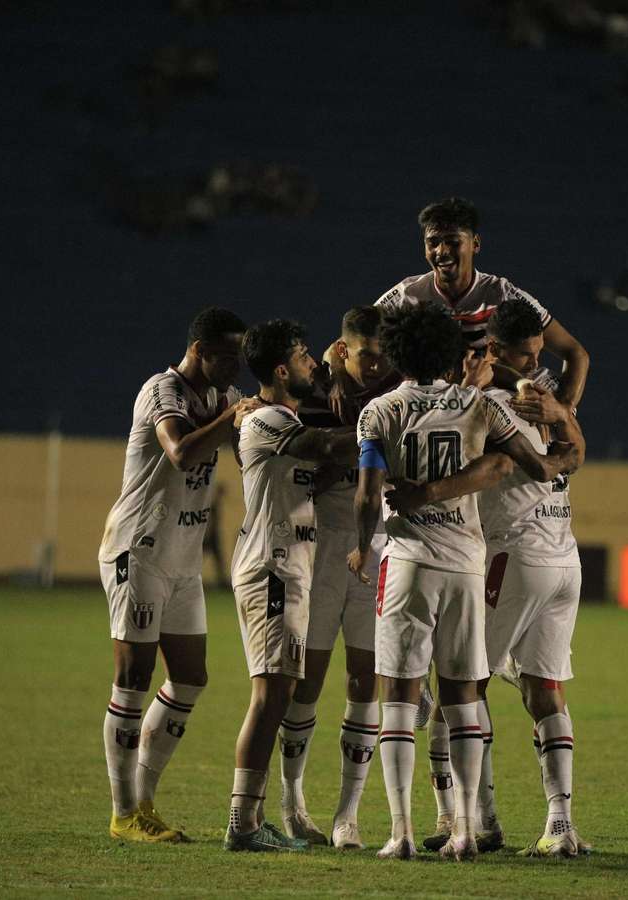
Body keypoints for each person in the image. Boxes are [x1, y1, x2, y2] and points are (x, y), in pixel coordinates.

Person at [349, 301, 580, 861]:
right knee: (464, 698)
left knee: (401, 697)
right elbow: (533, 464)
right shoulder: (481, 406)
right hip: (472, 565)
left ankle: (405, 830)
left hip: (411, 561)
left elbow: (366, 492)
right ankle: (468, 832)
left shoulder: (380, 410)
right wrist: (564, 456)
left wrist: (363, 545)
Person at [97, 306, 261, 843]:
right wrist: (230, 421)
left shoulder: (225, 399)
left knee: (190, 677)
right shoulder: (160, 391)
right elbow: (182, 451)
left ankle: (143, 801)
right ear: (200, 351)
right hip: (138, 550)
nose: (236, 369)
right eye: (228, 357)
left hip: (183, 559)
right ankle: (124, 813)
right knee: (133, 679)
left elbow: (250, 451)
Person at [225, 319, 359, 852]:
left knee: (278, 693)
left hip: (289, 567)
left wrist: (332, 373)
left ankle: (253, 819)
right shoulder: (268, 420)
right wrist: (390, 424)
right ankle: (243, 824)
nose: (313, 365)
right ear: (281, 370)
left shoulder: (278, 417)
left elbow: (320, 466)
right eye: (304, 357)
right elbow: (325, 445)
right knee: (270, 695)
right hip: (272, 569)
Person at [469, 300, 590, 858]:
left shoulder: (487, 406)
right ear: (496, 350)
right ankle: (560, 826)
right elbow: (578, 451)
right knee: (544, 688)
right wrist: (560, 418)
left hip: (515, 558)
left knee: (462, 685)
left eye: (539, 355)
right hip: (564, 559)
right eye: (526, 354)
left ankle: (480, 820)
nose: (535, 365)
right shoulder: (548, 403)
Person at [278, 307, 389, 850]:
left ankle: (348, 814)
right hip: (320, 552)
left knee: (365, 680)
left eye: (382, 355)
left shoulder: (396, 393)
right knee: (310, 679)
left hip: (378, 551)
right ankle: (293, 799)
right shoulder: (311, 397)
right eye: (366, 353)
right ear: (342, 350)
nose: (376, 365)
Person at [350, 196, 590, 419]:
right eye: (432, 242)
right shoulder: (406, 296)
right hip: (429, 402)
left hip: (495, 400)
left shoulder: (502, 293)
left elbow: (576, 353)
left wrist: (563, 409)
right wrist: (339, 377)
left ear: (475, 244)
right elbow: (351, 337)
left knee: (559, 419)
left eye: (453, 242)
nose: (441, 251)